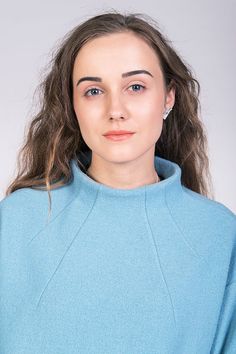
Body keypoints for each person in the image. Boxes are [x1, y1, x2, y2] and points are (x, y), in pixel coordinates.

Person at [0, 10, 235, 354]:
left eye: (136, 87)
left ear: (168, 97)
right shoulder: (16, 222)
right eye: (93, 91)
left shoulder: (219, 235)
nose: (116, 109)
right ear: (72, 105)